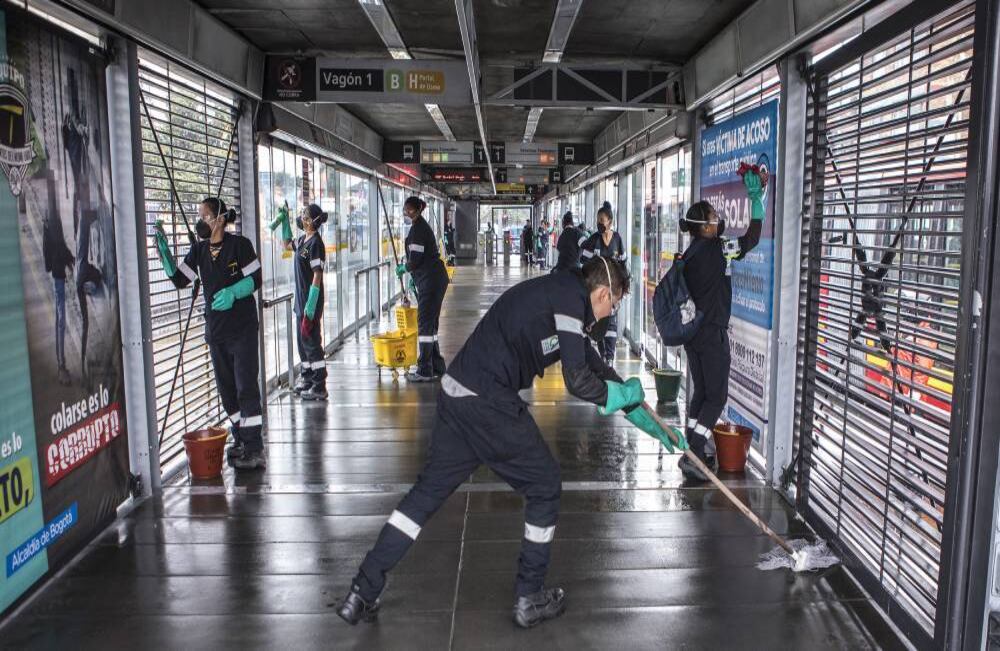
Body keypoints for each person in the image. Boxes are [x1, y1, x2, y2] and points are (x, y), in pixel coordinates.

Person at [336, 256, 685, 629]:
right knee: (545, 484)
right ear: (602, 293)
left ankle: (362, 591)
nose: (608, 315)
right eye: (612, 306)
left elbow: (599, 371)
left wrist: (651, 423)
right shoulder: (569, 294)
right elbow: (578, 381)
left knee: (424, 497)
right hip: (487, 399)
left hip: (459, 395)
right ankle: (529, 596)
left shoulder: (567, 308)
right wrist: (616, 396)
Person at [154, 198, 266, 470]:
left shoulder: (240, 245)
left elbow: (257, 278)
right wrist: (165, 253)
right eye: (198, 215)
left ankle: (254, 448)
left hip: (242, 330)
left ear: (218, 219)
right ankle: (240, 437)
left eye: (203, 215)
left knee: (245, 388)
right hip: (216, 332)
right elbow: (181, 280)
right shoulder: (199, 251)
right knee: (228, 394)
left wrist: (234, 292)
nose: (199, 220)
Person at [677, 167, 765, 481]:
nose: (719, 219)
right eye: (715, 216)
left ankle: (691, 448)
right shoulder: (720, 249)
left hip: (692, 334)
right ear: (706, 226)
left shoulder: (687, 254)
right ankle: (694, 449)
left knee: (701, 392)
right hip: (713, 334)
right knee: (716, 397)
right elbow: (751, 239)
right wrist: (757, 202)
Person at [270, 202, 328, 401]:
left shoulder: (316, 244)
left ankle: (320, 385)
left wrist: (310, 308)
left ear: (312, 221)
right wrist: (284, 221)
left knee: (312, 343)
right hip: (300, 301)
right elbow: (287, 245)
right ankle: (308, 379)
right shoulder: (303, 240)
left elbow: (317, 275)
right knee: (302, 343)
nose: (301, 217)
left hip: (310, 300)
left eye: (305, 214)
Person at [395, 196, 450, 381]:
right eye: (404, 209)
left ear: (417, 210)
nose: (405, 213)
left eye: (408, 210)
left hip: (431, 280)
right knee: (431, 324)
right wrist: (413, 277)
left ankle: (424, 370)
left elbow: (416, 260)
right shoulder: (419, 227)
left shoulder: (418, 230)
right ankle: (436, 364)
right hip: (432, 279)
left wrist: (405, 268)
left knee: (425, 323)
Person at [581, 202, 626, 365]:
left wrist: (623, 287)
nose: (599, 223)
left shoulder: (618, 239)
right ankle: (603, 357)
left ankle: (610, 357)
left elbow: (623, 263)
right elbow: (583, 261)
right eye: (598, 220)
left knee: (612, 323)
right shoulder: (594, 239)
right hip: (597, 289)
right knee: (601, 322)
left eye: (602, 220)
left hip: (613, 289)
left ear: (610, 221)